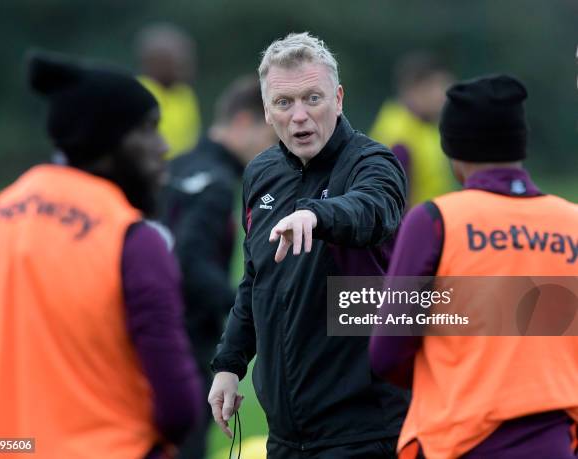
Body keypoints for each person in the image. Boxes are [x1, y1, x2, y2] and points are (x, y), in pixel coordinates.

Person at [0, 51, 203, 458]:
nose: (162, 147)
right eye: (148, 130)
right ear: (108, 143)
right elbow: (178, 407)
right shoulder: (133, 238)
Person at [208, 32, 409, 458]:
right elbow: (254, 281)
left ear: (338, 98)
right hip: (287, 437)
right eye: (284, 103)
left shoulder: (373, 162)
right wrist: (229, 364)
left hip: (364, 433)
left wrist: (318, 215)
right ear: (266, 110)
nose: (299, 116)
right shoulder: (261, 173)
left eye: (313, 99)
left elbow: (373, 209)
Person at [369, 75, 578, 458]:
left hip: (457, 440)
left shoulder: (436, 220)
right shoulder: (572, 221)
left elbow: (386, 351)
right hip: (555, 442)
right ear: (521, 142)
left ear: (452, 150)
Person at [164, 75, 276, 459]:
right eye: (271, 136)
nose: (274, 149)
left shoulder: (173, 167)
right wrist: (246, 309)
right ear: (244, 122)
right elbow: (188, 261)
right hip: (187, 338)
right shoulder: (215, 183)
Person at [368, 52, 454, 207]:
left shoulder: (426, 126)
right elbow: (394, 204)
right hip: (414, 228)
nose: (443, 96)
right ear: (415, 89)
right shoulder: (398, 136)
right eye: (438, 86)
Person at [136, 23, 201, 159]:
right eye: (179, 63)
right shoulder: (138, 95)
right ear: (154, 63)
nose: (186, 67)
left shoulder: (185, 94)